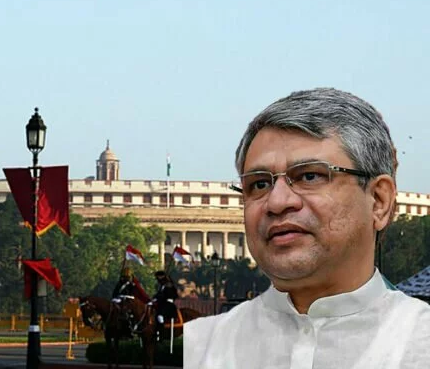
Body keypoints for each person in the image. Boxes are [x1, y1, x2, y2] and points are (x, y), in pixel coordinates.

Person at [184, 88, 430, 368]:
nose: (276, 202)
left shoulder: (420, 343)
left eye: (309, 176)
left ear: (378, 201)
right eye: (259, 184)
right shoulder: (204, 347)